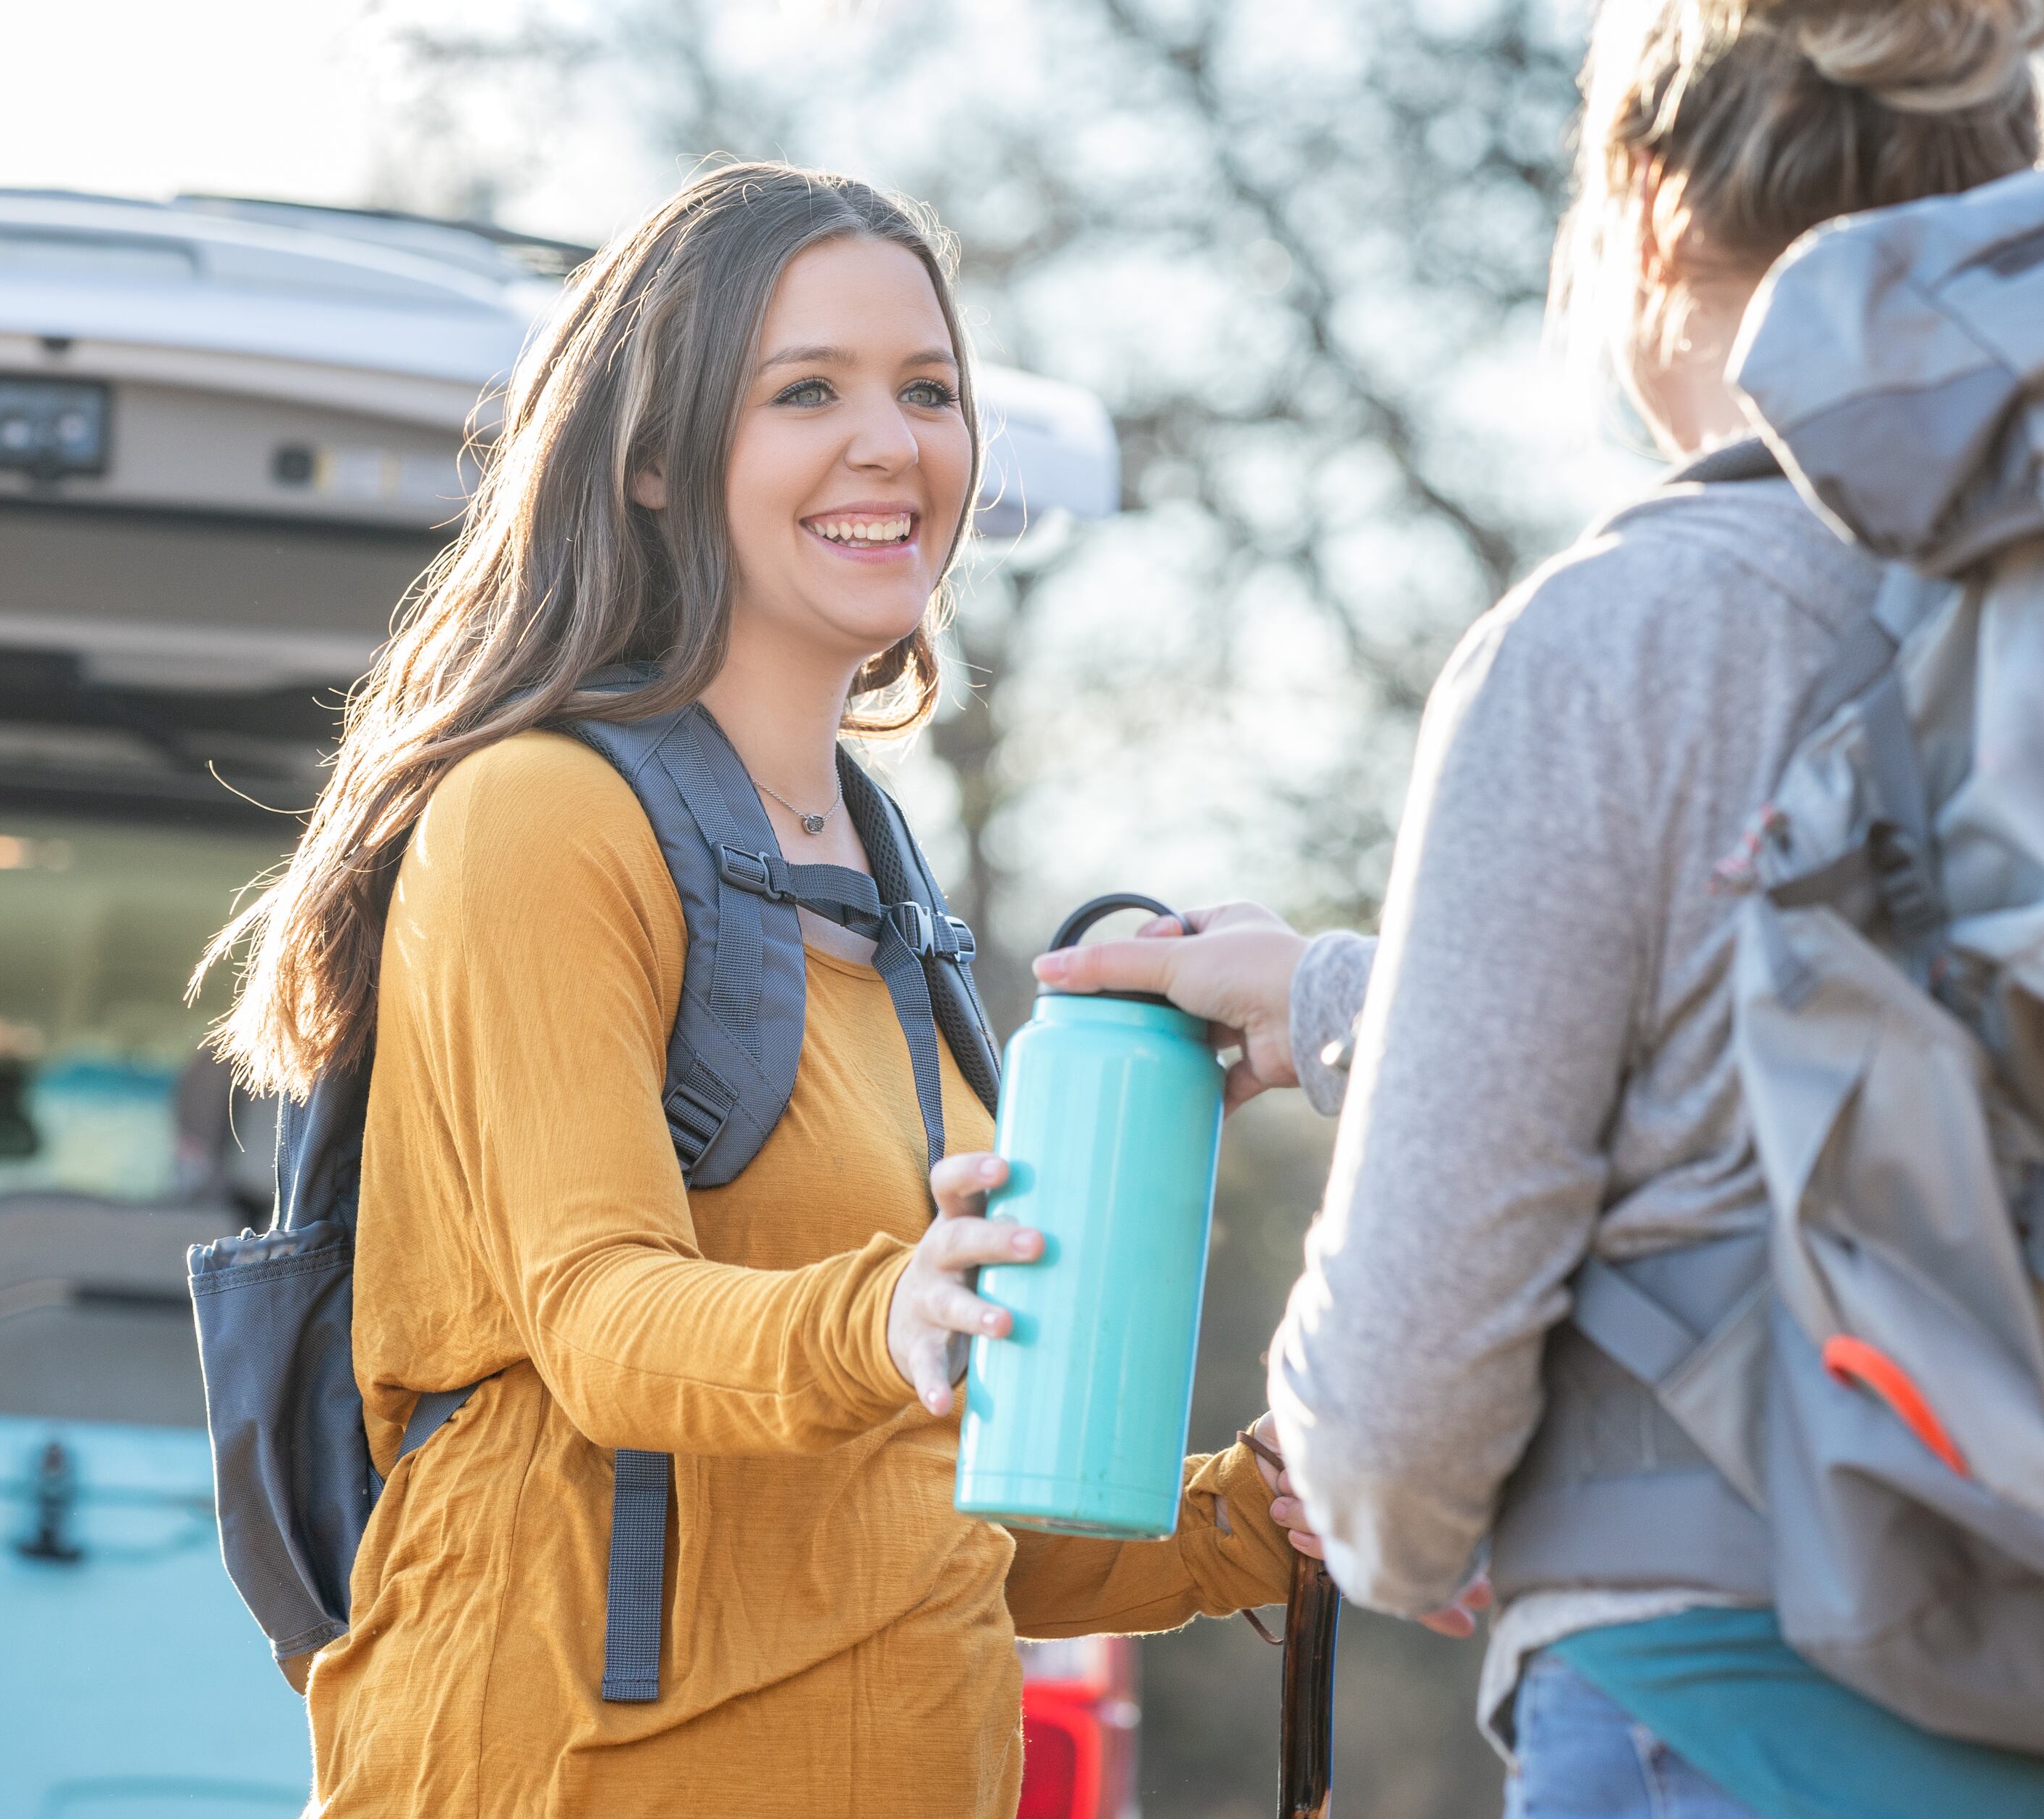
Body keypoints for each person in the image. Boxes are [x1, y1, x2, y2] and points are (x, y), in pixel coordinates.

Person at [1034, 0, 2044, 1818]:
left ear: (1645, 199)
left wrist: (1420, 1491)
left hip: (1750, 1719)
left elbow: (1397, 1440)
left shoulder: (1625, 636)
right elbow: (1910, 1057)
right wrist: (1341, 997)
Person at [207, 164, 1297, 1817]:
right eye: (807, 391)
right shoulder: (537, 813)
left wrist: (1251, 1518)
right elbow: (601, 1319)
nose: (891, 442)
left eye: (926, 390)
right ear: (653, 457)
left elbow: (919, 1507)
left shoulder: (893, 892)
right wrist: (892, 1309)